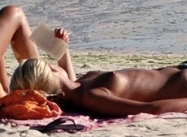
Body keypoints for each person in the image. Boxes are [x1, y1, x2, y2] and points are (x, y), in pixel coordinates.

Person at [10, 50, 187, 117]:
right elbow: (152, 108)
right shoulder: (92, 97)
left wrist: (64, 53)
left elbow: (70, 84)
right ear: (52, 71)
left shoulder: (78, 88)